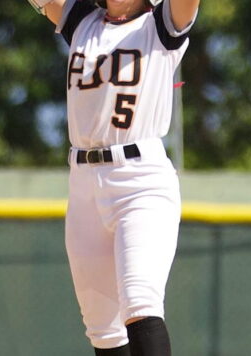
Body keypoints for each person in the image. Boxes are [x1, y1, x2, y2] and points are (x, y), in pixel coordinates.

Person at [26, 0, 199, 355]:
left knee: (140, 303)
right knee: (102, 330)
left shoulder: (161, 24)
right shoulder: (81, 21)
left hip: (140, 181)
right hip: (83, 183)